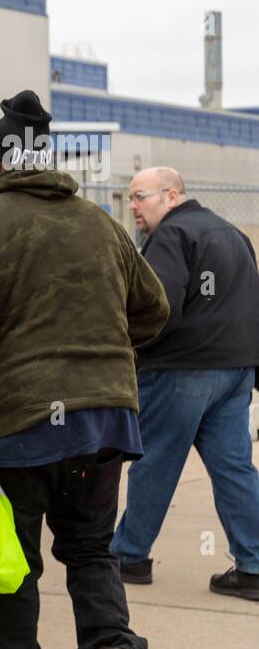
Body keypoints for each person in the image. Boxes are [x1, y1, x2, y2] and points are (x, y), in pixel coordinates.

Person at [0, 91, 170, 649]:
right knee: (90, 551)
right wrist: (100, 355)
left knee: (9, 565)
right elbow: (154, 310)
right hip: (106, 419)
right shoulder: (101, 223)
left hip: (19, 427)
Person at [112, 167, 259, 600]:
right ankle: (253, 566)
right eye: (131, 197)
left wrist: (134, 350)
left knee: (155, 460)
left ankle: (129, 556)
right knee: (234, 467)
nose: (134, 206)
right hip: (236, 373)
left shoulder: (172, 236)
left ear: (172, 195)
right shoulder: (232, 234)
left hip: (181, 371)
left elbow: (159, 308)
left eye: (141, 196)